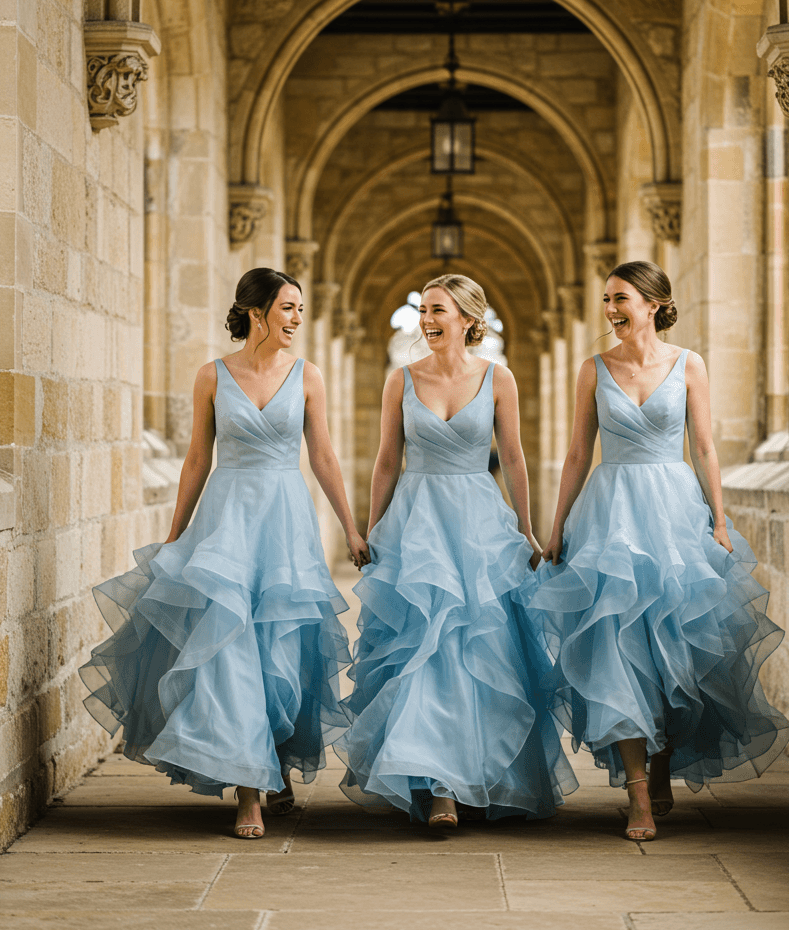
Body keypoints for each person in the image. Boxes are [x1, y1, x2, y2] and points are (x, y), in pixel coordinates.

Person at [79, 267, 369, 840]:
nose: (297, 318)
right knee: (230, 646)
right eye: (288, 308)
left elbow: (323, 457)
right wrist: (176, 535)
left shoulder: (308, 375)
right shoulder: (211, 376)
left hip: (285, 525)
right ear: (256, 313)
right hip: (227, 521)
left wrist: (352, 529)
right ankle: (249, 792)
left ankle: (273, 759)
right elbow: (195, 459)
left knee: (280, 649)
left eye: (301, 309)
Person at [533, 260, 789, 842]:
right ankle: (637, 794)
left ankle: (663, 760)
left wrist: (718, 520)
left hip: (674, 515)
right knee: (617, 648)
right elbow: (578, 453)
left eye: (620, 298)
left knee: (672, 645)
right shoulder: (592, 369)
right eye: (606, 299)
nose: (610, 309)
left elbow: (705, 447)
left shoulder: (689, 364)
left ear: (653, 304)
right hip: (610, 516)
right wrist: (557, 527)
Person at [337, 273, 576, 828]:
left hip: (478, 523)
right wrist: (373, 530)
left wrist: (527, 531)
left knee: (482, 648)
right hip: (416, 524)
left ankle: (478, 772)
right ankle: (438, 784)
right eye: (423, 310)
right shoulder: (401, 380)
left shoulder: (498, 378)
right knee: (425, 648)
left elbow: (512, 458)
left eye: (437, 310)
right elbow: (387, 461)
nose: (426, 319)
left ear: (468, 319)